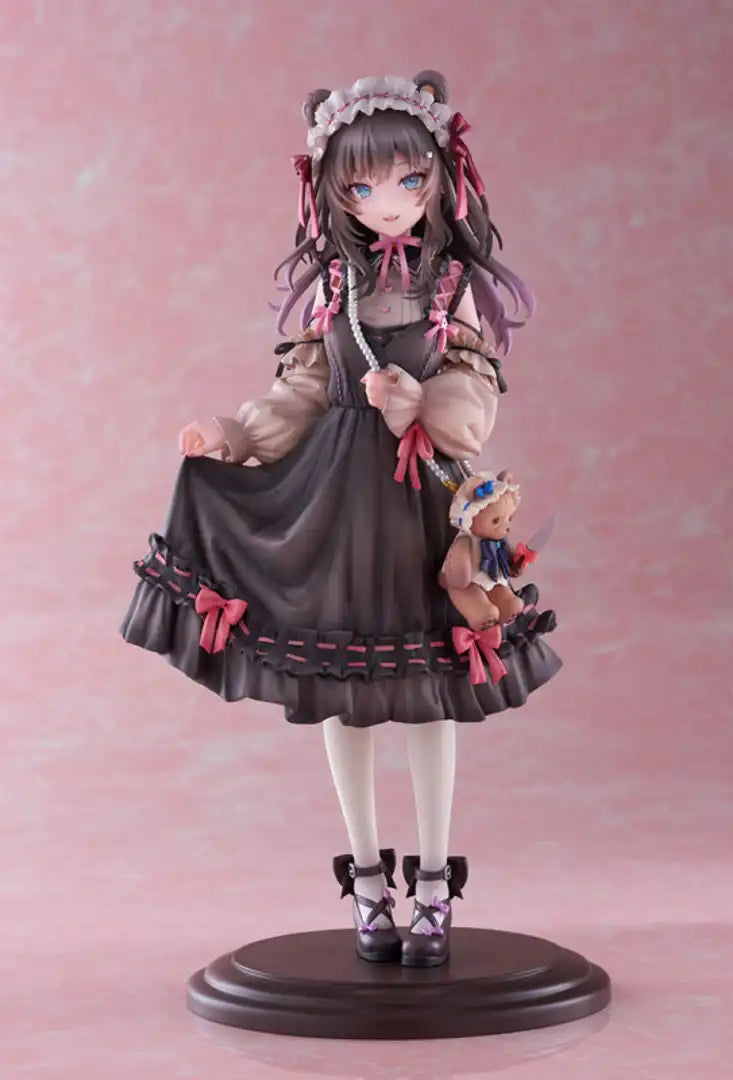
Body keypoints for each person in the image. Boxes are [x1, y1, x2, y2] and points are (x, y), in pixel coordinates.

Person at [121, 71, 561, 968]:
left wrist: (423, 406)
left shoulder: (450, 286)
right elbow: (301, 390)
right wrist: (236, 434)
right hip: (331, 505)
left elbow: (475, 392)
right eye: (360, 188)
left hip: (424, 506)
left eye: (408, 180)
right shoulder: (334, 285)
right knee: (343, 697)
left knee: (431, 696)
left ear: (441, 177)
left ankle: (433, 881)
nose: (386, 202)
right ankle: (365, 879)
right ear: (330, 190)